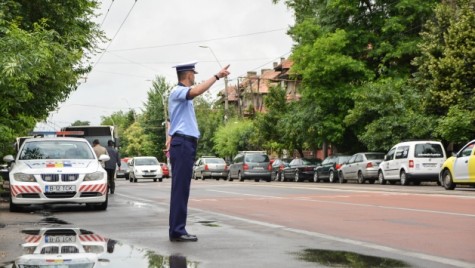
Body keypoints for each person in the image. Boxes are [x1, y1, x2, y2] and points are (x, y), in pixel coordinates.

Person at [168, 61, 230, 242]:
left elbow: (176, 119)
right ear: (188, 75)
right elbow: (195, 91)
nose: (195, 77)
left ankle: (177, 228)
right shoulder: (178, 91)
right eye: (193, 74)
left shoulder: (180, 96)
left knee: (182, 189)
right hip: (183, 144)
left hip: (184, 143)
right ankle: (177, 230)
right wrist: (217, 76)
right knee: (180, 189)